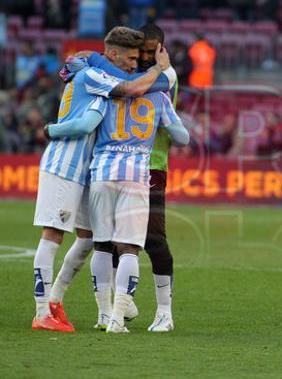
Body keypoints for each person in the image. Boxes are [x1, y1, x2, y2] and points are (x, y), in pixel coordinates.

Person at [32, 26, 175, 332]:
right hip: (65, 165)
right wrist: (50, 130)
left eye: (144, 56)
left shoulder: (95, 68)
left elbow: (152, 82)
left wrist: (89, 59)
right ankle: (43, 311)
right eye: (132, 58)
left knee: (90, 239)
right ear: (113, 54)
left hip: (92, 170)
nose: (136, 64)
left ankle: (63, 301)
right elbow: (91, 119)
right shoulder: (95, 77)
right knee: (54, 234)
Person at [89, 24, 179, 332]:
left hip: (151, 165)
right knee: (109, 241)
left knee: (152, 239)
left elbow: (135, 88)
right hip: (117, 164)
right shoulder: (138, 73)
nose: (143, 56)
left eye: (151, 50)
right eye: (140, 51)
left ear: (161, 50)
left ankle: (164, 312)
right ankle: (117, 307)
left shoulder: (165, 77)